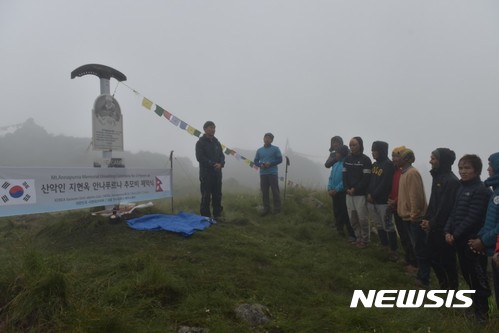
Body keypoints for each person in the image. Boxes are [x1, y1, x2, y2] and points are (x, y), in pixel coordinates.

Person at [445, 154, 491, 323]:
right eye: (461, 168)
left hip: (473, 243)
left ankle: (483, 313)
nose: (463, 172)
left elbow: (473, 217)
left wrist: (454, 235)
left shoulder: (481, 190)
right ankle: (474, 306)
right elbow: (454, 212)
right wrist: (447, 231)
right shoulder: (461, 188)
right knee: (467, 275)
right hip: (459, 241)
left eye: (467, 168)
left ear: (476, 170)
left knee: (478, 277)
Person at [421, 148, 460, 290]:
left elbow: (446, 207)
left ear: (442, 161)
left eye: (434, 158)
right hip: (434, 227)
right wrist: (426, 219)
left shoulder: (451, 181)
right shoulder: (438, 177)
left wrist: (432, 222)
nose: (431, 161)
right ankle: (444, 285)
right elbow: (434, 202)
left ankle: (453, 290)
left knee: (447, 261)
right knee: (431, 257)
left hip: (444, 229)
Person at [469, 152, 499, 311]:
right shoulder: (495, 190)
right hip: (493, 249)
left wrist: (483, 240)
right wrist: (480, 237)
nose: (488, 169)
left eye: (491, 165)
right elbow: (490, 221)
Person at [397, 148, 430, 288]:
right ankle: (420, 274)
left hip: (414, 219)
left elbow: (415, 196)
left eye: (399, 157)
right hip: (407, 217)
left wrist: (414, 215)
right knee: (416, 247)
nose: (396, 159)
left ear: (406, 159)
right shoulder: (404, 173)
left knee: (420, 249)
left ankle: (424, 279)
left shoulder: (412, 173)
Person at [388, 146, 418, 271]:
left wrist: (395, 201)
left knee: (409, 237)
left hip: (404, 208)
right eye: (393, 156)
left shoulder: (406, 172)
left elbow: (408, 192)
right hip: (396, 207)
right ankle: (408, 259)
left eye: (397, 156)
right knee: (403, 236)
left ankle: (414, 263)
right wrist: (390, 199)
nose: (394, 158)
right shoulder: (396, 171)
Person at [367, 141, 397, 261]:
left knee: (388, 226)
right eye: (372, 150)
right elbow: (370, 181)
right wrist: (369, 193)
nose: (373, 152)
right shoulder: (374, 165)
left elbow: (386, 183)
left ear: (382, 151)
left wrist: (373, 195)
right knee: (379, 225)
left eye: (375, 150)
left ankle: (393, 250)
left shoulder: (388, 165)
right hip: (372, 200)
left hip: (383, 202)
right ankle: (384, 245)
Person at [343, 136, 372, 248]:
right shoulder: (347, 159)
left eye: (354, 145)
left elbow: (366, 178)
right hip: (348, 194)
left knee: (362, 218)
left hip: (360, 194)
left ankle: (365, 240)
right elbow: (344, 175)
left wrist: (355, 188)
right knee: (353, 218)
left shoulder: (366, 160)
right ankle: (358, 237)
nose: (352, 147)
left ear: (360, 145)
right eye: (350, 145)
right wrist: (347, 188)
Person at [195, 121, 225, 220]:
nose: (213, 130)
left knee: (217, 195)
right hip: (206, 174)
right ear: (205, 129)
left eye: (214, 128)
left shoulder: (217, 142)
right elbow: (200, 157)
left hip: (217, 173)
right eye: (211, 127)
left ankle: (217, 214)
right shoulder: (200, 143)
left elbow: (222, 156)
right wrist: (213, 164)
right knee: (206, 195)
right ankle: (205, 217)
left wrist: (221, 164)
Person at [327, 144, 355, 240]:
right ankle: (339, 229)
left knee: (345, 212)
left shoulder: (346, 164)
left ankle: (351, 233)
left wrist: (336, 189)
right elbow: (331, 177)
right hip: (334, 192)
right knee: (336, 211)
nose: (336, 155)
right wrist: (329, 188)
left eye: (338, 153)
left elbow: (344, 180)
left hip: (342, 193)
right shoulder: (335, 164)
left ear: (342, 154)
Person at [254, 133, 283, 215]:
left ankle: (277, 209)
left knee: (275, 191)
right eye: (265, 137)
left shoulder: (276, 149)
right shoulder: (259, 150)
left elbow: (280, 160)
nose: (267, 139)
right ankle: (266, 209)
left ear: (272, 140)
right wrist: (260, 165)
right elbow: (256, 161)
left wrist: (270, 163)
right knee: (264, 192)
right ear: (263, 139)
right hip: (263, 173)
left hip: (272, 173)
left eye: (269, 138)